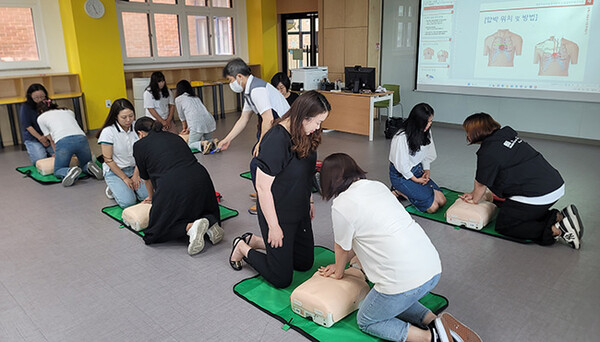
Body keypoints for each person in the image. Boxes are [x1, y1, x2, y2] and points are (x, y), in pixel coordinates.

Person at [318, 153, 481, 342]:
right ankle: (434, 321)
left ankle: (432, 337)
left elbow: (341, 247)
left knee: (367, 320)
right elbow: (365, 236)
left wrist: (338, 272)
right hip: (432, 268)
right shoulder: (377, 186)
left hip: (405, 282)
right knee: (390, 298)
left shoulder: (341, 204)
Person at [229, 91, 330, 288]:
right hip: (277, 212)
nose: (319, 127)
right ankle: (242, 247)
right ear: (303, 117)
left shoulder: (308, 134)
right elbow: (262, 188)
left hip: (298, 208)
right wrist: (274, 227)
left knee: (304, 263)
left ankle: (258, 241)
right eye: (317, 122)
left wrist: (309, 200)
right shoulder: (276, 139)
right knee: (281, 278)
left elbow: (306, 173)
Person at [460, 113, 584, 249]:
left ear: (476, 132)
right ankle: (560, 216)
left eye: (467, 132)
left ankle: (558, 230)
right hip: (554, 184)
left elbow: (481, 183)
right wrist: (475, 193)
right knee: (518, 212)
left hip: (538, 193)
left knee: (506, 225)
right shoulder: (506, 137)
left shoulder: (488, 151)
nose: (467, 136)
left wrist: (474, 199)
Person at [133, 117, 223, 255]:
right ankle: (210, 223)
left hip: (173, 183)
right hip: (201, 178)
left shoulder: (139, 145)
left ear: (140, 133)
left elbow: (147, 179)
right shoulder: (175, 137)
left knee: (155, 230)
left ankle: (191, 227)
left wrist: (151, 198)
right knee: (194, 209)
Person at [217, 58, 290, 215]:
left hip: (284, 128)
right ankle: (265, 192)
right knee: (258, 160)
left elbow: (268, 118)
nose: (230, 84)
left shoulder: (257, 89)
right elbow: (243, 119)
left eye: (230, 80)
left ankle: (265, 200)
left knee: (257, 164)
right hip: (275, 126)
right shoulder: (250, 90)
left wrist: (261, 143)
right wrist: (226, 139)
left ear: (239, 77)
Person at [389, 103, 446, 213]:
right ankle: (399, 191)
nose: (429, 125)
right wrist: (416, 180)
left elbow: (427, 153)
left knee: (442, 201)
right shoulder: (401, 137)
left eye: (431, 121)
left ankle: (407, 191)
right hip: (401, 175)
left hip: (416, 169)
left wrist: (426, 170)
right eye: (427, 122)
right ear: (417, 122)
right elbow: (402, 166)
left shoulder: (426, 131)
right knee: (432, 208)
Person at [36, 100, 103, 187]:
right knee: (85, 163)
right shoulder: (68, 111)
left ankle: (69, 171)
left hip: (63, 141)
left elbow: (51, 139)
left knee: (58, 170)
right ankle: (89, 166)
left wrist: (56, 153)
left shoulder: (41, 118)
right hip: (82, 138)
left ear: (41, 111)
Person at [97, 99, 148, 207]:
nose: (128, 120)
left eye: (131, 115)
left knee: (146, 196)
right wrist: (125, 178)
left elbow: (142, 153)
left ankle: (128, 188)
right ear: (116, 116)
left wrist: (136, 174)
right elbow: (108, 160)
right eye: (124, 117)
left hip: (135, 168)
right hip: (115, 171)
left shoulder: (137, 127)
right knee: (128, 202)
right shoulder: (108, 132)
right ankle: (114, 188)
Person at [175, 80, 217, 154]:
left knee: (190, 144)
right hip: (209, 120)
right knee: (208, 139)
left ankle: (203, 143)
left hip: (197, 123)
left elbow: (182, 117)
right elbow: (196, 113)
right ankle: (213, 142)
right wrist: (188, 128)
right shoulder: (195, 97)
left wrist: (184, 128)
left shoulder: (178, 99)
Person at [19, 84, 54, 164]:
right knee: (40, 160)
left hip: (48, 136)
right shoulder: (25, 107)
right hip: (33, 138)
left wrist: (47, 137)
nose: (40, 100)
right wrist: (41, 138)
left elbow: (52, 121)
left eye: (42, 97)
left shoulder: (48, 103)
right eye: (36, 98)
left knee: (61, 156)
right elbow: (28, 126)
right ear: (30, 97)